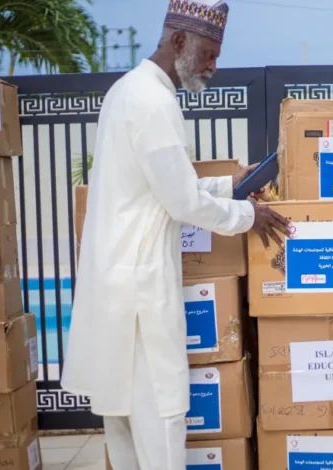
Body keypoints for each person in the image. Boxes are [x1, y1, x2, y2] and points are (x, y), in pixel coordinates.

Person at [60, 1, 291, 468]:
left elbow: (164, 185)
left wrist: (231, 184)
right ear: (179, 41)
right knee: (162, 414)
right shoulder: (155, 102)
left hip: (116, 282)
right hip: (140, 288)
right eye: (209, 53)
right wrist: (251, 216)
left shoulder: (126, 90)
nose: (213, 66)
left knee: (122, 419)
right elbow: (182, 202)